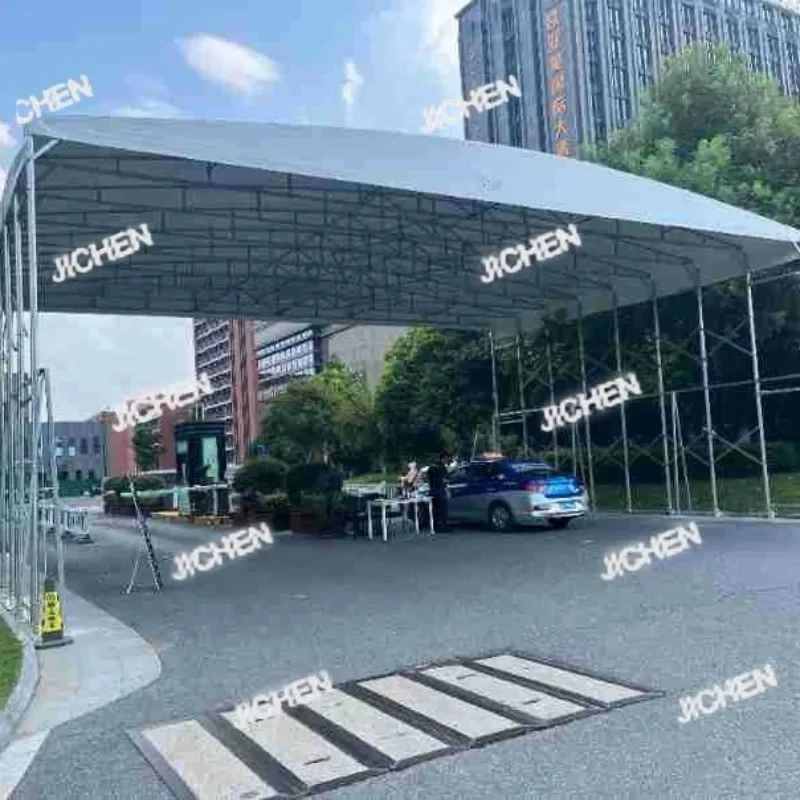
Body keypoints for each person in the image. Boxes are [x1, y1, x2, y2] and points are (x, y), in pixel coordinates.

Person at [427, 452, 450, 532]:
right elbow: (445, 479)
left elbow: (429, 477)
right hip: (440, 491)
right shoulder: (441, 467)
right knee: (442, 510)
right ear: (443, 459)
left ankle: (436, 527)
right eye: (446, 459)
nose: (447, 461)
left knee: (435, 510)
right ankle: (443, 527)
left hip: (433, 491)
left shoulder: (432, 466)